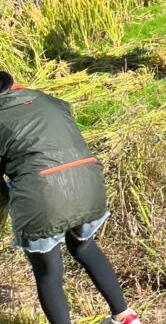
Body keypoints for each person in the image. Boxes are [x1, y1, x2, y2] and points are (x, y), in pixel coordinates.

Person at [0, 71, 142, 324]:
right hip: (89, 183)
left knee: (48, 272)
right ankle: (125, 316)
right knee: (84, 245)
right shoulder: (50, 100)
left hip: (43, 196)